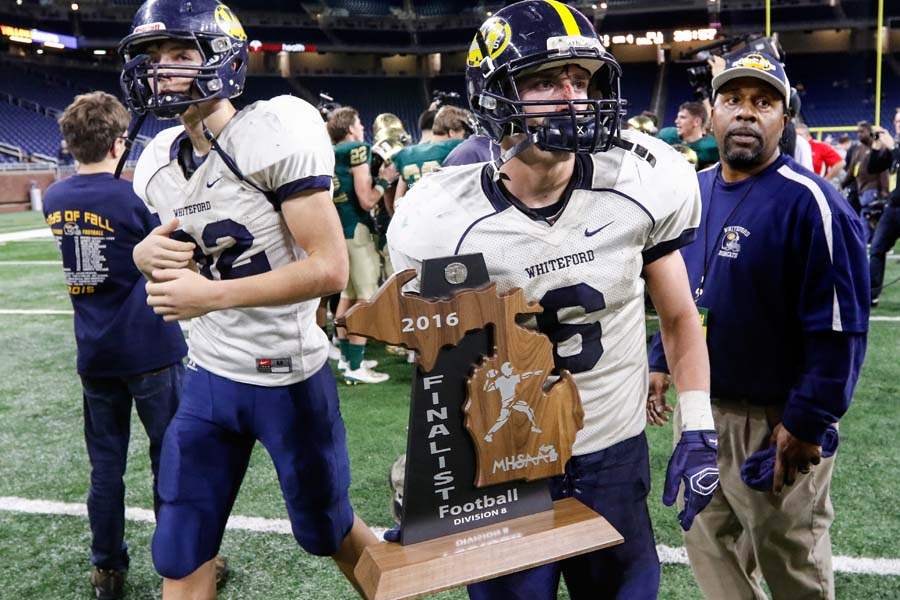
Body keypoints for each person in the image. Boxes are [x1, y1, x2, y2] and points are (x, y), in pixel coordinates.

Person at [388, 3, 717, 598]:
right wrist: (435, 474)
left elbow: (677, 316)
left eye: (581, 80)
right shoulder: (440, 218)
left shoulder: (642, 182)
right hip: (506, 468)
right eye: (544, 80)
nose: (571, 97)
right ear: (493, 96)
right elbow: (439, 363)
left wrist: (698, 427)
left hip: (612, 456)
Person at [118, 1, 377, 597]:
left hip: (288, 377)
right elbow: (180, 241)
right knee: (179, 549)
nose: (163, 71)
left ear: (221, 60)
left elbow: (330, 268)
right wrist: (142, 255)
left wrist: (210, 296)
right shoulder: (158, 159)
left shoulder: (271, 130)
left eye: (181, 55)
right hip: (210, 377)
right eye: (153, 58)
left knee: (329, 530)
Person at [647, 49, 869, 600]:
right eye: (734, 99)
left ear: (783, 118)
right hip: (700, 409)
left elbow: (839, 327)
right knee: (706, 542)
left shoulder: (812, 202)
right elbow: (686, 294)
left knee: (788, 557)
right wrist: (659, 360)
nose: (746, 112)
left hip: (775, 420)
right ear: (713, 111)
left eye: (763, 102)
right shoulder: (691, 191)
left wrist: (809, 419)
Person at [44, 91, 188, 600]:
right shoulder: (132, 201)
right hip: (149, 347)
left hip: (95, 352)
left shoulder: (54, 198)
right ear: (119, 141)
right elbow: (170, 256)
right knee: (168, 461)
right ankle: (181, 565)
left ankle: (108, 570)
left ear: (69, 142)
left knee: (105, 469)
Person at [327, 106, 395, 383]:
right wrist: (384, 181)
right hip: (356, 228)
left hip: (339, 227)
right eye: (359, 123)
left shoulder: (331, 151)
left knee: (347, 296)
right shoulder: (357, 149)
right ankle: (356, 368)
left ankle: (347, 360)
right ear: (350, 128)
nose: (363, 128)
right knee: (366, 299)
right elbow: (367, 199)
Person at [393, 105, 473, 202]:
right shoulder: (456, 147)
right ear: (451, 132)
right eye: (462, 134)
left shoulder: (405, 154)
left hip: (418, 212)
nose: (463, 137)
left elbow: (397, 202)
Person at [866, 109, 900, 307]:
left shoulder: (896, 147)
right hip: (893, 207)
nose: (897, 124)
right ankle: (872, 294)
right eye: (896, 121)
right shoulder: (895, 148)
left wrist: (893, 146)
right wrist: (877, 147)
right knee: (877, 248)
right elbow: (873, 168)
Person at [658, 101, 719, 169]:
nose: (676, 121)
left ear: (697, 122)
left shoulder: (712, 148)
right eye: (678, 117)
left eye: (682, 117)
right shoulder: (667, 135)